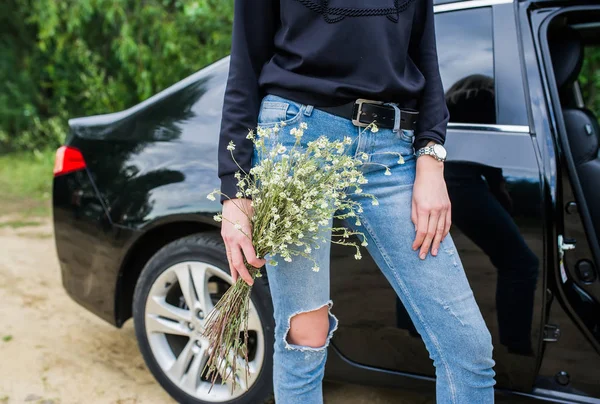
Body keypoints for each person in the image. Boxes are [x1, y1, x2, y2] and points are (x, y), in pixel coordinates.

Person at [216, 0, 496, 403]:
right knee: (304, 341)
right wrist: (236, 191)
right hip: (297, 139)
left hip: (392, 152)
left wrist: (431, 156)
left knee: (468, 347)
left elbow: (426, 58)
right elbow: (244, 63)